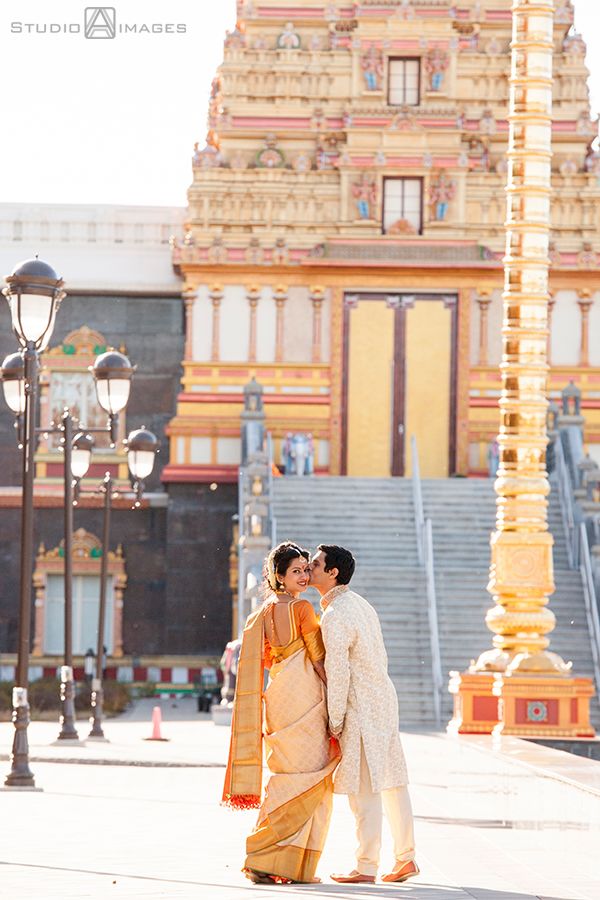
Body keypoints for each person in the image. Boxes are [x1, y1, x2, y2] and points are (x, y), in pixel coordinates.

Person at [222, 541, 340, 885]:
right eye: (297, 571)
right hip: (303, 693)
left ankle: (263, 857)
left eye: (306, 569)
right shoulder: (303, 609)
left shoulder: (259, 614)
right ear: (279, 576)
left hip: (278, 695)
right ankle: (291, 864)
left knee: (284, 775)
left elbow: (268, 659)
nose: (304, 576)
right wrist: (336, 693)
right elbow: (317, 658)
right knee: (312, 777)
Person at [309, 544, 419, 885]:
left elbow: (338, 670)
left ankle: (366, 865)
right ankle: (406, 858)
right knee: (392, 783)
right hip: (383, 700)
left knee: (364, 789)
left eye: (315, 564)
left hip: (360, 706)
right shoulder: (361, 605)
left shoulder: (335, 614)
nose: (308, 569)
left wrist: (336, 718)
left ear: (333, 573)